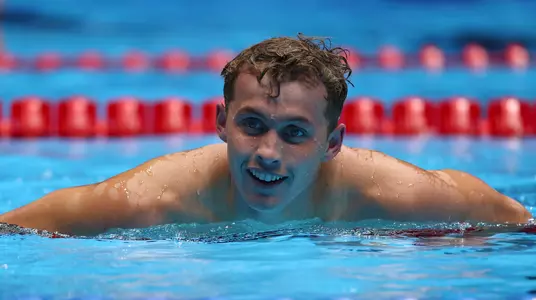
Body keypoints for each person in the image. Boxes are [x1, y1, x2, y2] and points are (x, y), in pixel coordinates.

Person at [0, 35, 532, 236]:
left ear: (333, 143)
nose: (268, 153)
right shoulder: (153, 200)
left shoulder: (395, 195)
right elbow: (15, 230)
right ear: (219, 123)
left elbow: (520, 227)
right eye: (251, 125)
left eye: (295, 132)